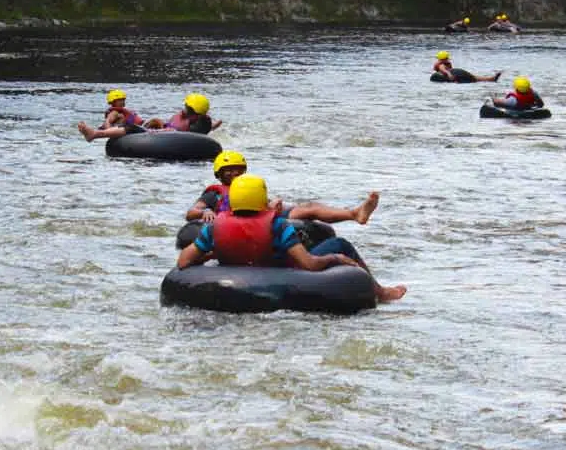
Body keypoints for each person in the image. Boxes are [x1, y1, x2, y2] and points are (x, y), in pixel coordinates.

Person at [177, 174, 406, 304]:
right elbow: (309, 264)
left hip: (236, 272)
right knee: (341, 244)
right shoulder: (277, 225)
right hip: (279, 272)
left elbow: (184, 262)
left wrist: (216, 252)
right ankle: (381, 293)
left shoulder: (213, 228)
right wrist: (335, 258)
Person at [188, 150, 378, 228]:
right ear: (219, 174)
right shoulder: (214, 193)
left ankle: (354, 214)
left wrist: (274, 206)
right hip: (241, 223)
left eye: (238, 169)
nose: (234, 173)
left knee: (310, 207)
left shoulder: (250, 186)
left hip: (263, 216)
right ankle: (353, 214)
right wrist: (203, 211)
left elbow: (261, 205)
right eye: (229, 170)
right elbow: (191, 212)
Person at [78, 89, 149, 141]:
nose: (122, 102)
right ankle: (94, 134)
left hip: (140, 128)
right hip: (130, 130)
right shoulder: (114, 112)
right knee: (131, 126)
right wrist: (110, 133)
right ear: (113, 102)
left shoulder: (124, 112)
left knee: (155, 121)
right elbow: (107, 121)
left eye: (123, 100)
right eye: (120, 100)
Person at [432, 50, 500, 83]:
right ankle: (491, 79)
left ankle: (491, 79)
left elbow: (444, 70)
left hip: (454, 74)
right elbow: (443, 69)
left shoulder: (441, 64)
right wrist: (449, 74)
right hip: (453, 74)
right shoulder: (442, 64)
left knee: (475, 77)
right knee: (474, 78)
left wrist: (450, 75)